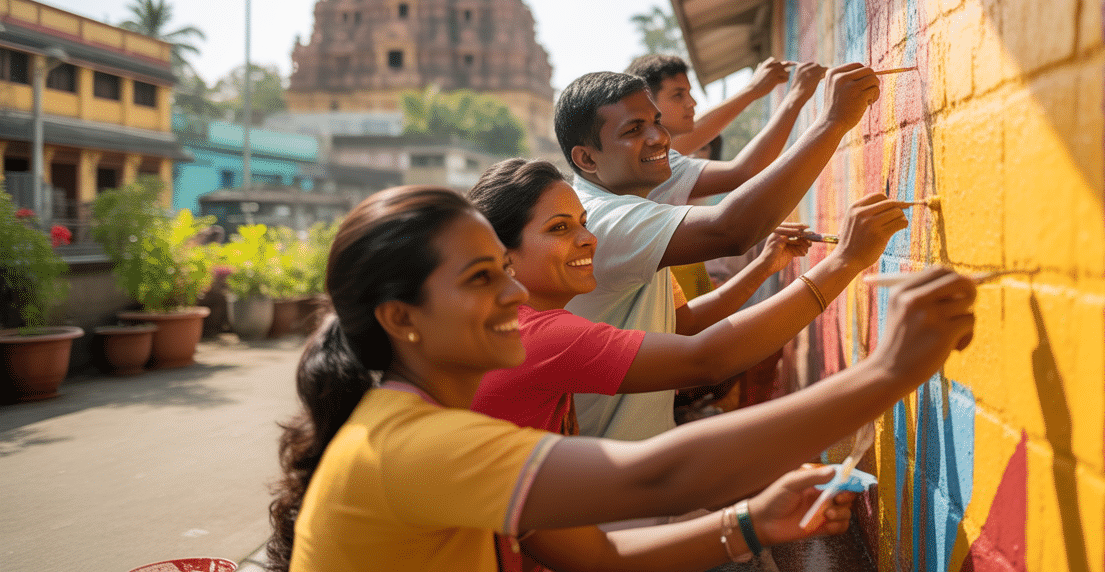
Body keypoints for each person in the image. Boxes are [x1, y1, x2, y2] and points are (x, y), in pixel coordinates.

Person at [268, 185, 977, 572]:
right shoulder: (410, 443)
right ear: (402, 318)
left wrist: (750, 524)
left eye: (505, 273)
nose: (514, 296)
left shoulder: (435, 425)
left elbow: (592, 550)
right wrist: (889, 370)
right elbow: (658, 476)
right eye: (484, 279)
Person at [466, 158, 909, 436]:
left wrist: (766, 266)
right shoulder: (540, 334)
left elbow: (684, 325)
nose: (588, 239)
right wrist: (846, 261)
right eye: (559, 229)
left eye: (582, 223)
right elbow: (705, 358)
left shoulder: (513, 325)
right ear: (501, 252)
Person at [554, 65, 883, 439]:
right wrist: (833, 122)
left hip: (636, 452)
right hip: (607, 463)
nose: (660, 138)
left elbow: (686, 324)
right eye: (633, 129)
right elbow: (733, 229)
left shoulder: (630, 196)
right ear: (587, 159)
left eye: (656, 122)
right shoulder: (602, 220)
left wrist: (762, 267)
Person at [625, 54, 828, 205]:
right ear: (647, 103)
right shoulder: (655, 164)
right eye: (678, 95)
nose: (692, 103)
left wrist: (753, 91)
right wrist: (797, 96)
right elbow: (743, 173)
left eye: (689, 93)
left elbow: (699, 129)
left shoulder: (642, 154)